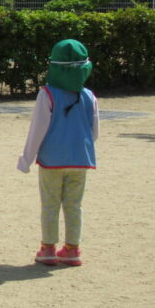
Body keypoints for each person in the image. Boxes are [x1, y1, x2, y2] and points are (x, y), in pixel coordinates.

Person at [17, 39, 99, 267]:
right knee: (74, 205)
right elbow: (94, 132)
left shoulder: (47, 94)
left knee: (50, 204)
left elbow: (37, 130)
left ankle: (48, 248)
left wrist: (26, 160)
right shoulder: (89, 96)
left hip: (52, 160)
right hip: (81, 160)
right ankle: (72, 249)